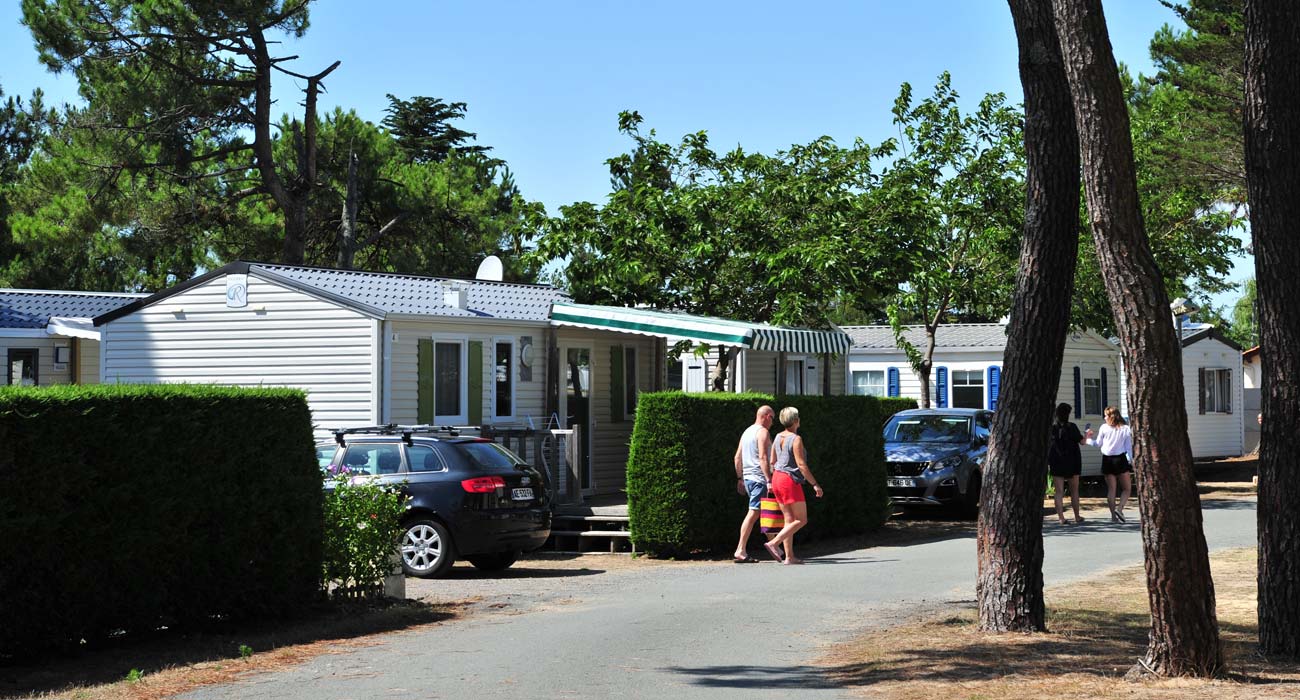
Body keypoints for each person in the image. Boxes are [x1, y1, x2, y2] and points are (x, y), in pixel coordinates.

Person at [763, 407, 824, 565]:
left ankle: (789, 557)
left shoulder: (777, 436)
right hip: (789, 480)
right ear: (796, 420)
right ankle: (773, 543)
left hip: (776, 477)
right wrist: (815, 484)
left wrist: (772, 478)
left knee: (789, 520)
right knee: (801, 519)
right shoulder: (796, 439)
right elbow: (801, 465)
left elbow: (772, 462)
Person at [732, 405, 775, 563]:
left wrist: (740, 478)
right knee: (754, 513)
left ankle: (775, 547)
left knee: (765, 512)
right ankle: (740, 550)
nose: (772, 423)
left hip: (749, 478)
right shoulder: (762, 432)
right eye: (772, 419)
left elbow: (737, 457)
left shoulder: (747, 431)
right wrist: (769, 479)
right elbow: (763, 457)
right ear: (767, 416)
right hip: (759, 479)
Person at [1086, 405, 1134, 523]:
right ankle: (1120, 508)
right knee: (1127, 488)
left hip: (1107, 459)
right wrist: (1131, 460)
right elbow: (1128, 448)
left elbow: (1098, 444)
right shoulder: (1125, 429)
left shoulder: (1104, 428)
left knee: (1111, 489)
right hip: (1120, 459)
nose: (1104, 417)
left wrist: (1087, 439)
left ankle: (1113, 516)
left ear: (1111, 416)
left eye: (1106, 415)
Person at [1048, 402, 1087, 525]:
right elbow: (1082, 442)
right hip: (1072, 460)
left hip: (1056, 460)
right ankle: (1076, 516)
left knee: (1059, 491)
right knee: (1074, 490)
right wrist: (1087, 434)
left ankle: (1061, 517)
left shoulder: (1052, 428)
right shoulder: (1072, 427)